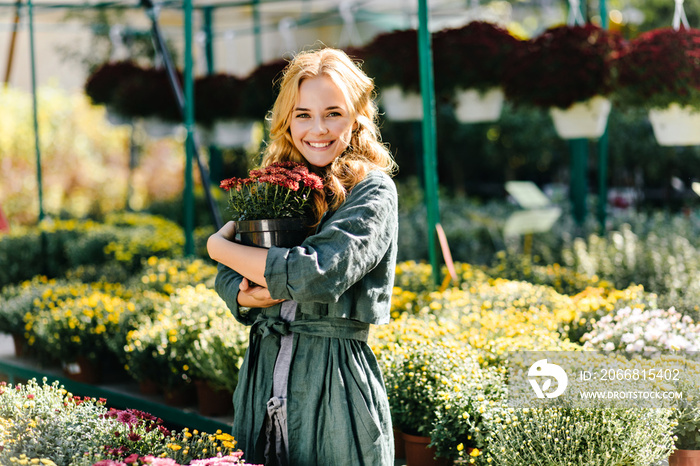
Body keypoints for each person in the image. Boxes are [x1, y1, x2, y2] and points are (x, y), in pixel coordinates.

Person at [207, 46, 399, 466]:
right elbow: (230, 273)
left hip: (332, 383)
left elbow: (318, 274)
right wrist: (240, 295)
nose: (318, 128)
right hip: (262, 376)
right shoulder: (278, 182)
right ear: (287, 120)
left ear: (357, 116)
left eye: (333, 113)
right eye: (303, 114)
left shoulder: (373, 191)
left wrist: (216, 246)